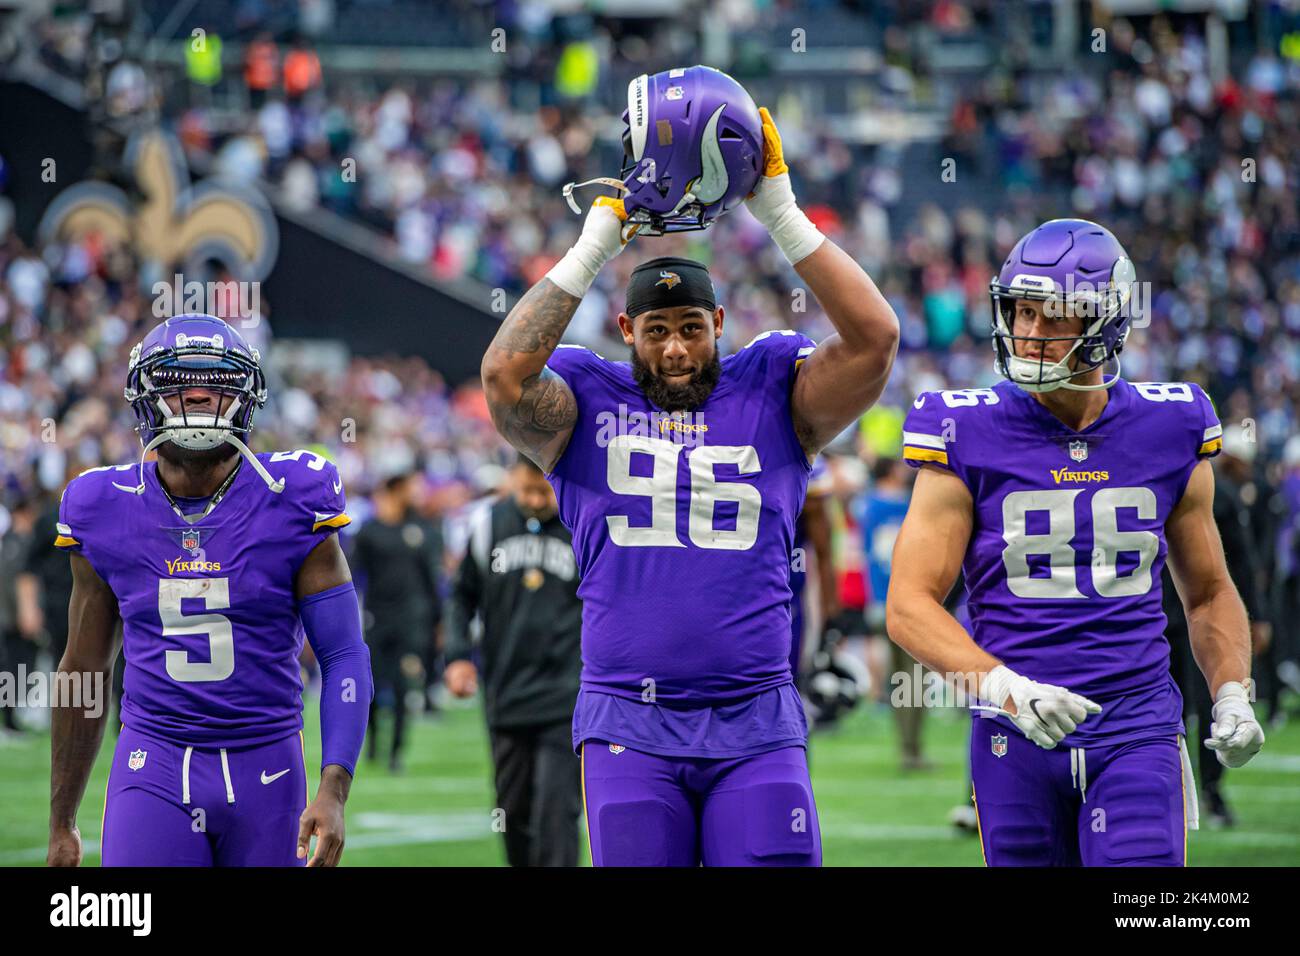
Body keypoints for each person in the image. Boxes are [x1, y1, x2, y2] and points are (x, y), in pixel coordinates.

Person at [480, 99, 899, 866]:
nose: (676, 350)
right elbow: (504, 377)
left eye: (692, 329)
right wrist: (596, 241)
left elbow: (876, 342)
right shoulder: (584, 401)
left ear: (719, 326)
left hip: (757, 721)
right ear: (627, 334)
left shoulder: (772, 389)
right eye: (658, 331)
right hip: (627, 725)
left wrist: (780, 211)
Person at [887, 219, 1264, 866]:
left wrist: (1232, 689)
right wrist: (1002, 687)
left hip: (1136, 726)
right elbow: (909, 604)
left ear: (1108, 324)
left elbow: (1206, 593)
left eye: (1053, 317)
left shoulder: (1171, 422)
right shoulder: (964, 429)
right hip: (1015, 730)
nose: (1029, 333)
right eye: (1021, 311)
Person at [47, 314, 373, 867]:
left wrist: (334, 788)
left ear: (246, 396)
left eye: (215, 386)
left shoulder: (292, 496)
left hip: (267, 767)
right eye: (180, 385)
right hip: (152, 764)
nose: (198, 400)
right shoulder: (102, 505)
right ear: (146, 396)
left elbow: (344, 654)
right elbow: (83, 669)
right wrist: (61, 821)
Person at [444, 455, 583, 867]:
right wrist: (457, 658)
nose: (537, 500)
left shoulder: (582, 524)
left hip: (567, 694)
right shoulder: (488, 525)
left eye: (545, 491)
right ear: (511, 480)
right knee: (512, 810)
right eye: (527, 490)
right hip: (505, 692)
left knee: (557, 811)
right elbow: (460, 597)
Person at [352, 471, 443, 773]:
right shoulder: (369, 531)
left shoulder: (421, 529)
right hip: (377, 617)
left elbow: (432, 578)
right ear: (394, 490)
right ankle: (374, 743)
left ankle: (396, 753)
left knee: (405, 685)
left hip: (411, 620)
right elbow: (351, 575)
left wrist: (438, 620)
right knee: (374, 686)